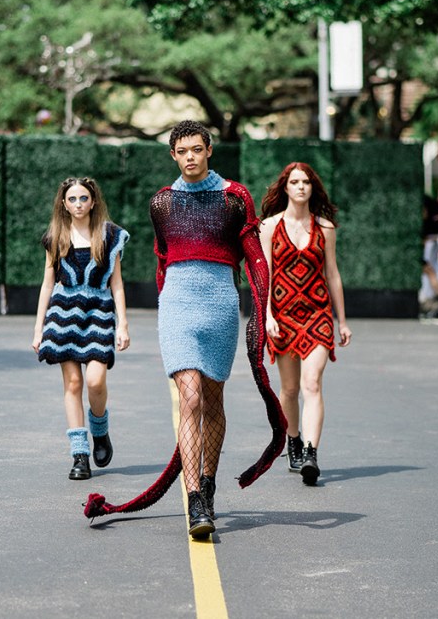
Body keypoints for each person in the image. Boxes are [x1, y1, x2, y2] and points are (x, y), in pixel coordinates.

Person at [82, 120, 285, 540]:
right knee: (189, 396)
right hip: (176, 305)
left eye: (196, 149)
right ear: (173, 155)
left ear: (209, 150)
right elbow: (162, 260)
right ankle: (194, 500)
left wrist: (264, 313)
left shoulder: (235, 197)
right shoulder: (162, 202)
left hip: (221, 306)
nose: (190, 157)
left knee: (212, 399)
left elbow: (255, 260)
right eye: (182, 151)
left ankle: (207, 483)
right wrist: (165, 306)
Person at [259, 161, 351, 485]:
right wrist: (267, 315)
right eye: (295, 182)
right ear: (285, 187)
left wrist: (342, 321)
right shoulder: (269, 227)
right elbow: (265, 275)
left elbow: (333, 274)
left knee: (312, 383)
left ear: (313, 188)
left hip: (317, 315)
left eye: (306, 182)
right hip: (283, 316)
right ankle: (294, 440)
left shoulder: (325, 227)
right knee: (289, 389)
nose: (301, 187)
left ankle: (311, 453)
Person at [32, 177, 129, 481]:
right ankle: (79, 455)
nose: (78, 204)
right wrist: (38, 329)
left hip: (99, 312)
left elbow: (117, 284)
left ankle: (99, 430)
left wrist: (123, 324)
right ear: (63, 203)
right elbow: (47, 285)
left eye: (83, 198)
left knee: (95, 381)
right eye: (72, 199)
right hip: (63, 315)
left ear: (93, 201)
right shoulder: (55, 237)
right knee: (73, 383)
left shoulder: (110, 236)